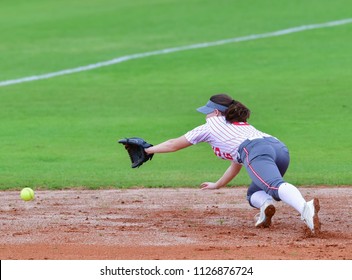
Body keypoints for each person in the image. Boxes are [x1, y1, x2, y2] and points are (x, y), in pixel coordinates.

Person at [144, 93, 320, 234]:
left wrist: (147, 150)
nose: (206, 115)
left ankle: (306, 209)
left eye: (208, 111)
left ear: (216, 113)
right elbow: (236, 163)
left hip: (255, 149)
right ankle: (266, 205)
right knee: (254, 194)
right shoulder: (239, 124)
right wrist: (218, 184)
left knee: (274, 185)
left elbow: (173, 144)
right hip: (278, 148)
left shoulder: (210, 125)